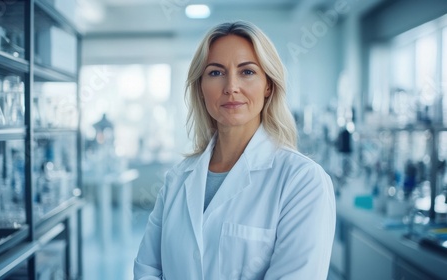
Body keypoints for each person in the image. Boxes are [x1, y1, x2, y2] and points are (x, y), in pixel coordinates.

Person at [133, 21, 336, 280]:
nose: (231, 87)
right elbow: (148, 269)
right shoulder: (178, 178)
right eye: (216, 73)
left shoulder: (302, 180)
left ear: (268, 86)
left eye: (247, 72)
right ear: (201, 88)